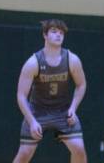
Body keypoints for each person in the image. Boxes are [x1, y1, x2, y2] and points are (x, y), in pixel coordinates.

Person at [13, 19, 88, 163]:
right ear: (45, 35)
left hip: (63, 111)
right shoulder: (33, 62)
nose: (58, 35)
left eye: (61, 33)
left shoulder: (72, 59)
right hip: (37, 111)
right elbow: (21, 96)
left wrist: (73, 108)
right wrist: (32, 121)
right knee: (24, 153)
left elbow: (81, 85)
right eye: (54, 32)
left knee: (79, 149)